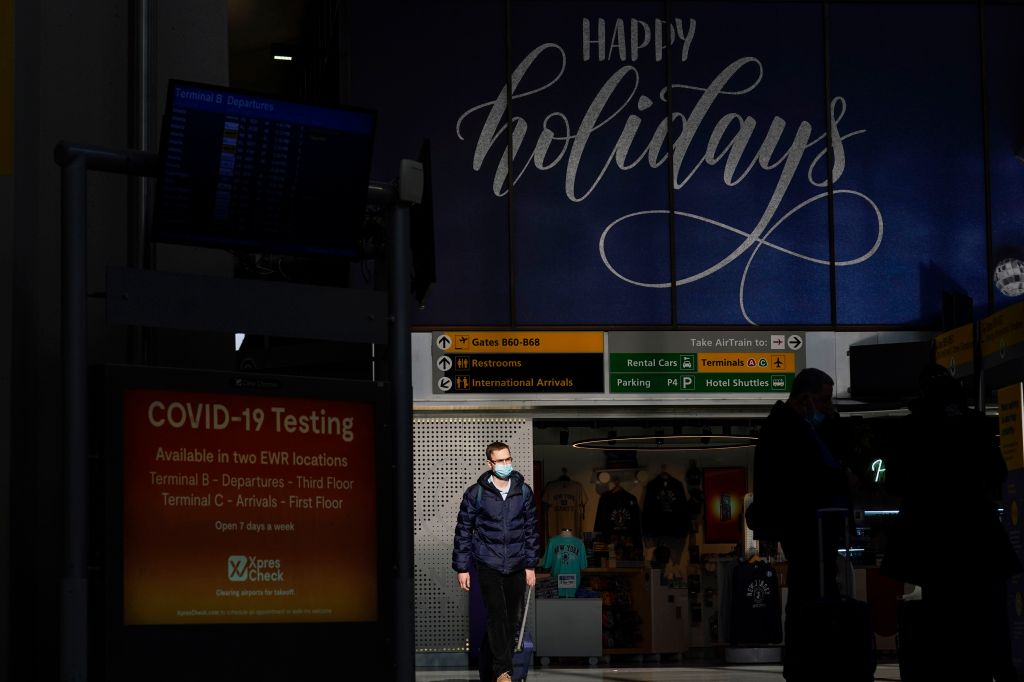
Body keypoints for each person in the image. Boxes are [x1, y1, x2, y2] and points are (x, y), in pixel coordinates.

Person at [881, 364, 1022, 682]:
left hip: (931, 540)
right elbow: (997, 473)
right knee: (985, 613)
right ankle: (989, 667)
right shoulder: (975, 425)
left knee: (942, 613)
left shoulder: (910, 429)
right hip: (978, 536)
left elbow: (895, 483)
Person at [749, 367, 855, 681]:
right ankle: (807, 660)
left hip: (810, 525)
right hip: (805, 525)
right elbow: (800, 479)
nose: (827, 407)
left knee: (809, 589)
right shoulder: (786, 430)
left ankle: (808, 660)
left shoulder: (793, 427)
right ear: (805, 398)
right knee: (809, 591)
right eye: (822, 400)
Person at [452, 441, 540, 682]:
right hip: (487, 562)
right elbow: (463, 530)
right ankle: (503, 671)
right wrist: (462, 567)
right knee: (496, 615)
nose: (505, 464)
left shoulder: (523, 491)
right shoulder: (476, 493)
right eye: (500, 461)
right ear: (489, 464)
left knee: (511, 620)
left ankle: (487, 670)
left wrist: (531, 565)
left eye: (508, 459)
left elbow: (531, 529)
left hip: (517, 562)